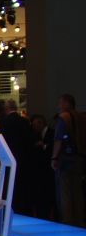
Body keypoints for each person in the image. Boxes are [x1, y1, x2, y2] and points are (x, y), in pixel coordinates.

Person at [51, 94, 85, 227]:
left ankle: (67, 221)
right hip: (80, 157)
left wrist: (54, 157)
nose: (58, 106)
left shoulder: (63, 118)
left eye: (60, 103)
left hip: (65, 158)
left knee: (64, 191)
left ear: (66, 103)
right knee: (77, 191)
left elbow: (58, 139)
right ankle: (80, 220)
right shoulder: (81, 117)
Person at [0, 99, 35, 215]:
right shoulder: (24, 121)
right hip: (24, 159)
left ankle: (12, 209)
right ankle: (24, 209)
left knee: (11, 186)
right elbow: (30, 140)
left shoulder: (5, 122)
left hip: (9, 158)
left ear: (6, 109)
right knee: (23, 186)